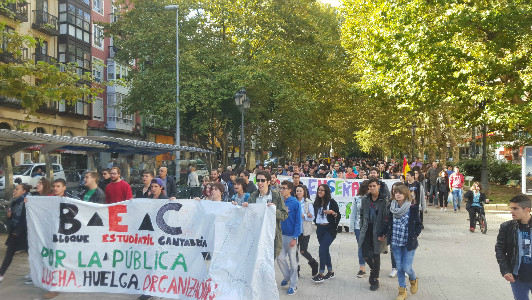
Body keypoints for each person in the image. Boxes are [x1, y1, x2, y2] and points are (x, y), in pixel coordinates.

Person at [384, 184, 422, 300]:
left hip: (408, 243)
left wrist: (414, 235)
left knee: (407, 268)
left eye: (400, 193)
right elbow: (388, 224)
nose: (398, 194)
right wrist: (383, 234)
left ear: (406, 194)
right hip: (395, 242)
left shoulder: (413, 208)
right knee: (399, 268)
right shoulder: (391, 207)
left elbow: (419, 225)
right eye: (396, 192)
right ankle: (402, 291)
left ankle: (413, 279)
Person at [495, 195, 532, 300]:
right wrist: (505, 270)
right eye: (511, 208)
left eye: (515, 208)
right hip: (518, 276)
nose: (512, 211)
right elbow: (500, 249)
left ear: (527, 210)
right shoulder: (506, 227)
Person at [247, 171, 289, 258]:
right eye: (258, 180)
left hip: (271, 236)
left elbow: (284, 215)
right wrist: (245, 208)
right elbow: (248, 217)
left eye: (263, 180)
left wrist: (274, 210)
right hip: (256, 236)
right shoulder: (253, 196)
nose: (260, 183)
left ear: (268, 182)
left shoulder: (276, 196)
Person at [358, 178, 388, 291]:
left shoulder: (384, 200)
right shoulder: (365, 199)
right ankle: (373, 270)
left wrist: (384, 232)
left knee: (376, 254)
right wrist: (362, 226)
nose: (371, 188)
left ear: (378, 186)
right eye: (370, 186)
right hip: (367, 228)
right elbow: (361, 214)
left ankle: (375, 279)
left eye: (374, 186)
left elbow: (387, 217)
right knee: (365, 253)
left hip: (378, 229)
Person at [0, 184, 31, 282]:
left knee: (32, 254)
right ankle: (1, 274)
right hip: (15, 232)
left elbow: (26, 219)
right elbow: (10, 219)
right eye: (14, 189)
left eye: (17, 189)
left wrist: (17, 232)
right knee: (9, 252)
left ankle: (35, 273)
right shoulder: (13, 202)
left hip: (25, 233)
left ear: (23, 191)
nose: (14, 190)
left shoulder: (28, 201)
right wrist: (9, 216)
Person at [312, 184, 340, 283]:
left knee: (322, 249)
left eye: (322, 190)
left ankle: (321, 273)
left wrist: (332, 212)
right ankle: (331, 271)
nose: (320, 192)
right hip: (320, 229)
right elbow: (314, 215)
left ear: (326, 192)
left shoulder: (332, 202)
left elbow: (338, 216)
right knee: (325, 250)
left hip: (329, 230)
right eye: (319, 190)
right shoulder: (316, 202)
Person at [278, 181, 302, 295]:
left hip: (291, 236)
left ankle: (293, 285)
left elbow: (298, 222)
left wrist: (295, 237)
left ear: (290, 190)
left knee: (293, 262)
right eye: (280, 188)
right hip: (280, 235)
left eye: (284, 188)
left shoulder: (295, 203)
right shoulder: (279, 201)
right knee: (280, 258)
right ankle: (287, 277)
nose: (281, 190)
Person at [295, 184, 318, 276]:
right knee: (294, 251)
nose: (298, 193)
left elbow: (312, 217)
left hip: (305, 230)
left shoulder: (308, 203)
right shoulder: (294, 201)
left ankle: (313, 263)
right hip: (295, 230)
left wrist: (304, 216)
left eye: (300, 191)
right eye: (297, 191)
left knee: (303, 251)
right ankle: (296, 270)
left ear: (304, 192)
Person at [349, 180, 369, 278]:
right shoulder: (357, 199)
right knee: (361, 246)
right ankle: (362, 268)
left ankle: (373, 264)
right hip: (358, 226)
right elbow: (353, 213)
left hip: (370, 226)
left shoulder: (373, 199)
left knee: (370, 246)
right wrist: (351, 227)